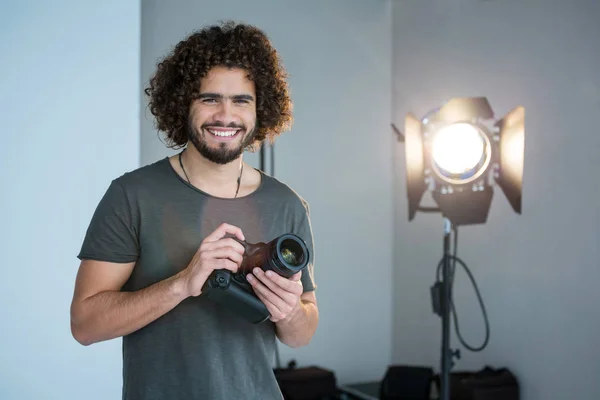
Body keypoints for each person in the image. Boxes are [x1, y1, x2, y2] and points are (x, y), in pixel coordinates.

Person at [70, 21, 319, 400]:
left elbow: (301, 334)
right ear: (182, 103)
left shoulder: (287, 204)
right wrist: (183, 284)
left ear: (260, 109)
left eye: (241, 100)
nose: (225, 115)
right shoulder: (132, 194)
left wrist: (289, 310)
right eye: (209, 98)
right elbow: (85, 324)